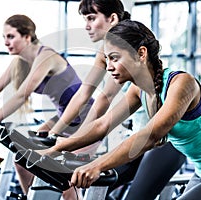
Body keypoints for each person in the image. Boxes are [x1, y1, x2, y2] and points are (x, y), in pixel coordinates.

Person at [42, 19, 201, 200]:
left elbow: (150, 136)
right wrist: (58, 146)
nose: (109, 67)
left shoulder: (182, 83)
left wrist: (96, 166)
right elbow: (103, 124)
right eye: (107, 59)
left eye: (114, 58)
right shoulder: (138, 89)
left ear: (141, 53)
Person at [48, 0, 186, 199]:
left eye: (91, 18)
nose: (86, 25)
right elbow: (85, 94)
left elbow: (105, 98)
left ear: (112, 18)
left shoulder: (130, 45)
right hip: (138, 135)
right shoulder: (106, 53)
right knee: (92, 184)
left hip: (163, 140)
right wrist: (58, 135)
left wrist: (76, 141)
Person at [0, 14, 94, 198]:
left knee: (61, 175)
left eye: (10, 36)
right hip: (63, 118)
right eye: (4, 37)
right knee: (22, 161)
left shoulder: (46, 56)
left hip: (85, 118)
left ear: (27, 36)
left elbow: (21, 96)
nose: (5, 42)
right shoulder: (19, 63)